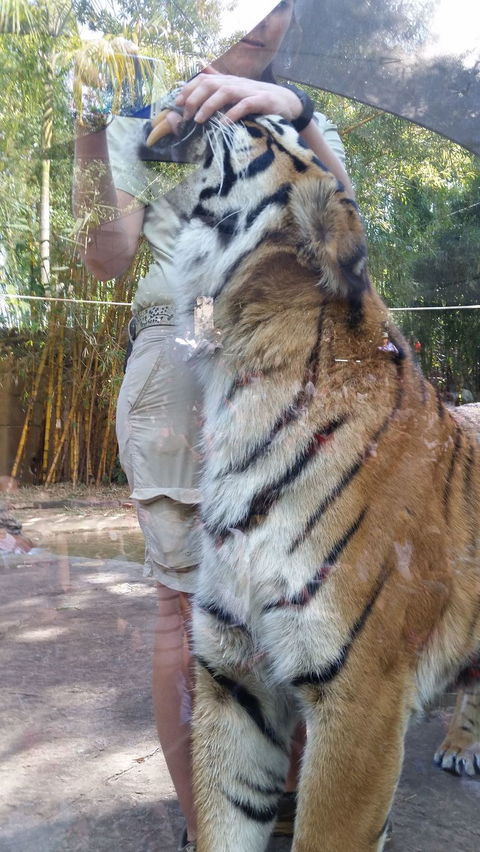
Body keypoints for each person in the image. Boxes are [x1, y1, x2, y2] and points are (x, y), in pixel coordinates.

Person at [74, 3, 353, 849]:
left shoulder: (300, 108)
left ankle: (295, 802)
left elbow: (344, 232)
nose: (269, 19)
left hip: (304, 368)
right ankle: (212, 828)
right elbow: (106, 256)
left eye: (283, 5)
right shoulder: (139, 106)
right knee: (186, 611)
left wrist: (296, 114)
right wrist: (90, 139)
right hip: (188, 362)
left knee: (306, 600)